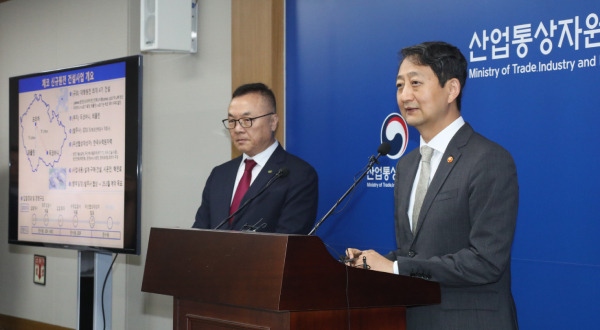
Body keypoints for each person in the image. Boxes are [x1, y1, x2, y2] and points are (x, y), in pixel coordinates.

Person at [346, 42, 519, 329]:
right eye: (400, 85)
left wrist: (396, 268)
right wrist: (370, 263)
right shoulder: (407, 164)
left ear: (451, 89)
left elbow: (486, 261)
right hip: (415, 319)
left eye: (415, 83)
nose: (404, 95)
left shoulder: (489, 159)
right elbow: (415, 252)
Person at [193, 83, 319, 234]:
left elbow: (289, 241)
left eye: (247, 120)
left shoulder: (299, 174)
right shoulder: (219, 174)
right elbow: (199, 233)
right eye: (232, 121)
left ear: (273, 122)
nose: (238, 129)